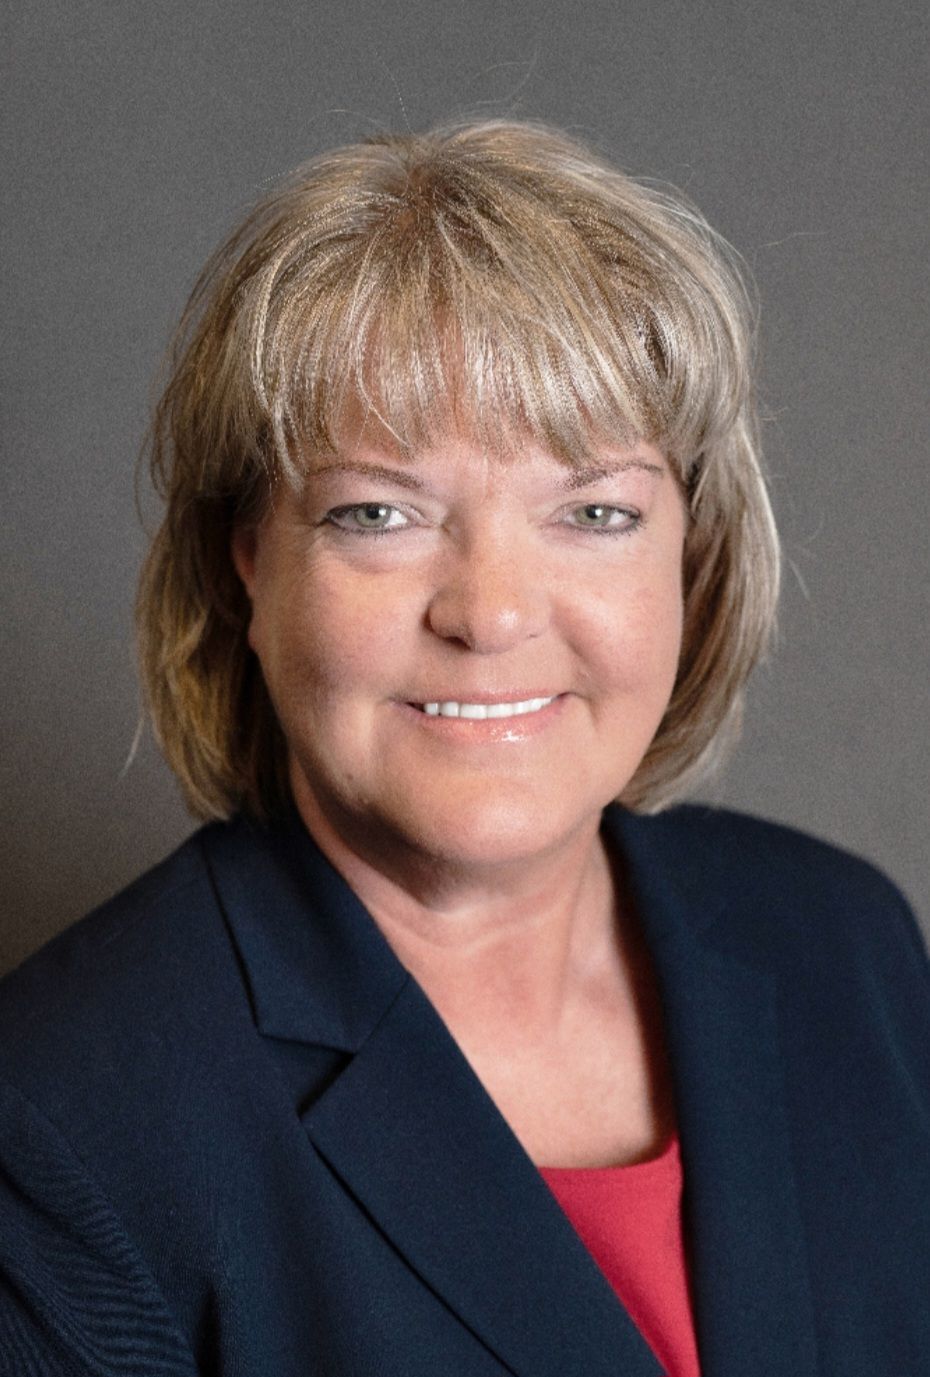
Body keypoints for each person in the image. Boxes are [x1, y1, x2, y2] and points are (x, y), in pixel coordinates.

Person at [0, 120, 927, 1377]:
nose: (490, 613)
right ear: (250, 561)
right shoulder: (62, 1117)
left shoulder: (845, 949)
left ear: (692, 560)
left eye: (594, 511)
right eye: (377, 513)